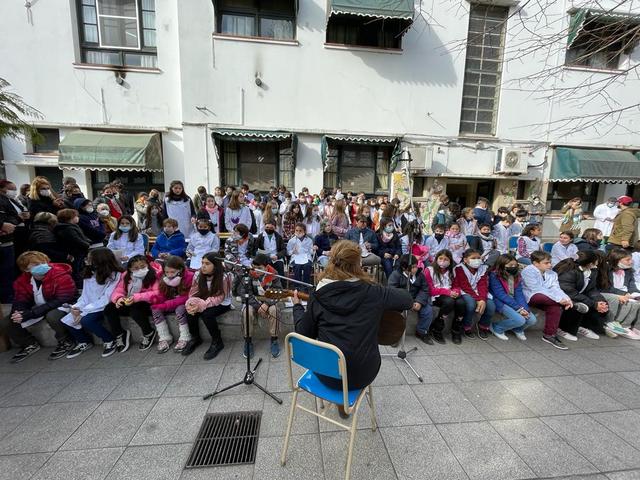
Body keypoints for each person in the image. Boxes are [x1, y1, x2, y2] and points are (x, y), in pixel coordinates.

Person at [292, 240, 413, 404]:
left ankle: (342, 404)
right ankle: (345, 403)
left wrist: (298, 307)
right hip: (363, 373)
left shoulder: (318, 295)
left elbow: (302, 333)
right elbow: (407, 300)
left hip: (326, 375)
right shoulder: (373, 292)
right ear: (358, 265)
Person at [1, 251, 77, 363]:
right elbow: (20, 299)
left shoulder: (60, 274)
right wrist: (19, 313)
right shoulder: (22, 281)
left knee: (53, 316)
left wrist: (31, 313)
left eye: (43, 262)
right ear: (26, 269)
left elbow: (62, 299)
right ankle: (29, 344)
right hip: (40, 307)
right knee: (7, 321)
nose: (42, 266)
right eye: (36, 265)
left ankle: (65, 341)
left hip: (62, 305)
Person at [61, 248, 123, 358]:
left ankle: (109, 340)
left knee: (86, 320)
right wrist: (77, 307)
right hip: (88, 306)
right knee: (68, 319)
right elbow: (85, 295)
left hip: (103, 306)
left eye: (89, 259)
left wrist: (84, 311)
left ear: (100, 260)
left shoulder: (114, 275)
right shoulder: (89, 274)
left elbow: (106, 298)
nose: (86, 261)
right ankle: (83, 341)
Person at [104, 255, 161, 352]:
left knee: (135, 309)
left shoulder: (155, 274)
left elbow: (157, 293)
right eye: (136, 268)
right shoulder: (126, 276)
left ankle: (148, 332)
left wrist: (136, 297)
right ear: (130, 269)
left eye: (143, 266)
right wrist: (119, 299)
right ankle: (120, 334)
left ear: (147, 265)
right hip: (130, 300)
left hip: (149, 303)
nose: (140, 269)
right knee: (109, 308)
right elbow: (119, 290)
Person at [184, 253, 233, 359]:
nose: (203, 266)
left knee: (207, 314)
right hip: (204, 299)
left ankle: (217, 341)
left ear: (215, 265)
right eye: (202, 263)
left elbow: (221, 297)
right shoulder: (198, 275)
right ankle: (195, 338)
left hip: (222, 303)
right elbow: (193, 292)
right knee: (189, 312)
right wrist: (192, 304)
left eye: (207, 263)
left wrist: (202, 305)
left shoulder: (224, 277)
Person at [520, 251, 573, 349]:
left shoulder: (552, 273)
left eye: (550, 262)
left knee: (555, 307)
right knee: (542, 297)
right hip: (532, 296)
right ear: (535, 263)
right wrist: (559, 300)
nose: (550, 265)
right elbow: (537, 289)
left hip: (549, 298)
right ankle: (571, 305)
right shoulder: (528, 271)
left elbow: (556, 288)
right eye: (546, 263)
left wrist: (567, 299)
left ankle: (549, 335)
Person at [554, 251, 609, 340]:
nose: (598, 262)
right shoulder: (570, 271)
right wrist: (593, 304)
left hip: (578, 294)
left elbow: (592, 289)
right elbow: (570, 292)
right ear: (590, 263)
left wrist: (599, 301)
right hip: (562, 295)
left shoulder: (592, 270)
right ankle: (562, 329)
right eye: (596, 260)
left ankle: (583, 326)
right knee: (579, 306)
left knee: (601, 303)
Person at [236, 254, 283, 358]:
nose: (256, 270)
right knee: (246, 311)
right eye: (254, 267)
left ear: (266, 267)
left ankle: (274, 339)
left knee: (274, 310)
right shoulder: (248, 274)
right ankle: (247, 340)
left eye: (259, 268)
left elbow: (278, 292)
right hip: (253, 301)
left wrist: (267, 303)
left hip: (268, 301)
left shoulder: (273, 274)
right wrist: (258, 306)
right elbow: (244, 294)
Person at [151, 255, 195, 353]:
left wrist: (167, 304)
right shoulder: (162, 277)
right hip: (169, 302)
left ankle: (185, 336)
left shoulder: (189, 277)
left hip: (182, 303)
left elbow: (188, 296)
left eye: (172, 272)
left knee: (180, 309)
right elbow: (162, 294)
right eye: (167, 272)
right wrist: (157, 300)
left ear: (180, 270)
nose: (169, 275)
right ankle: (164, 337)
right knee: (155, 309)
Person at [488, 254, 537, 340]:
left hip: (513, 300)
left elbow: (519, 294)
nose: (513, 267)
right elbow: (500, 295)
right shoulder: (494, 275)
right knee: (520, 320)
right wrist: (519, 309)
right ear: (502, 265)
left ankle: (517, 329)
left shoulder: (516, 275)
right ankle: (497, 327)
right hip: (500, 301)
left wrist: (525, 309)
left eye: (515, 265)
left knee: (532, 319)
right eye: (510, 265)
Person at [388, 254, 434, 344]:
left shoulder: (420, 275)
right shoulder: (396, 275)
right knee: (394, 313)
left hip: (417, 299)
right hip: (401, 300)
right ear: (403, 267)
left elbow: (424, 289)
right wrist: (407, 301)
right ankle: (394, 334)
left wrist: (419, 301)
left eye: (416, 267)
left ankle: (421, 331)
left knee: (428, 311)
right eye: (412, 267)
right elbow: (392, 290)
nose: (415, 269)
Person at [453, 249, 496, 339]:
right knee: (471, 304)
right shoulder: (459, 268)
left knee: (491, 306)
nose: (477, 260)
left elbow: (482, 285)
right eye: (473, 258)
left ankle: (483, 326)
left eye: (478, 258)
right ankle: (466, 326)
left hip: (479, 292)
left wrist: (482, 299)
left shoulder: (482, 268)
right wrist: (478, 299)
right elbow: (465, 286)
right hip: (465, 291)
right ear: (465, 260)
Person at [425, 250, 466, 344]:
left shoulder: (452, 271)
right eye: (441, 258)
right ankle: (437, 328)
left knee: (461, 303)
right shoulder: (429, 270)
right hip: (436, 295)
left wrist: (455, 291)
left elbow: (456, 285)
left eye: (446, 259)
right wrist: (447, 292)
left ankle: (456, 330)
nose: (443, 261)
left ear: (450, 261)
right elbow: (430, 290)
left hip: (450, 293)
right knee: (449, 302)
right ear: (436, 258)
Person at [598, 248, 640, 339]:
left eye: (631, 259)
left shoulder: (628, 271)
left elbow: (631, 285)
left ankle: (634, 326)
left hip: (625, 293)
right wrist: (624, 293)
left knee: (637, 302)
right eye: (627, 260)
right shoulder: (607, 270)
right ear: (617, 260)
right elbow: (606, 287)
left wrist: (636, 293)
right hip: (610, 292)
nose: (631, 262)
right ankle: (620, 325)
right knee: (627, 302)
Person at [53, 208, 91, 286]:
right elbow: (76, 240)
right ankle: (78, 285)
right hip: (75, 252)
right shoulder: (67, 228)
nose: (77, 217)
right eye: (75, 216)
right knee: (76, 270)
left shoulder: (72, 226)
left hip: (79, 252)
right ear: (69, 218)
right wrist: (87, 245)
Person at [287, 223, 314, 290]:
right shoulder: (292, 240)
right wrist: (292, 251)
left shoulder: (309, 240)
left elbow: (311, 252)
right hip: (295, 257)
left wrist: (314, 249)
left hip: (306, 257)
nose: (298, 232)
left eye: (300, 231)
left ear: (304, 231)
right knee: (297, 266)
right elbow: (288, 252)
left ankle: (306, 286)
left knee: (307, 266)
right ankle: (297, 286)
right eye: (296, 230)